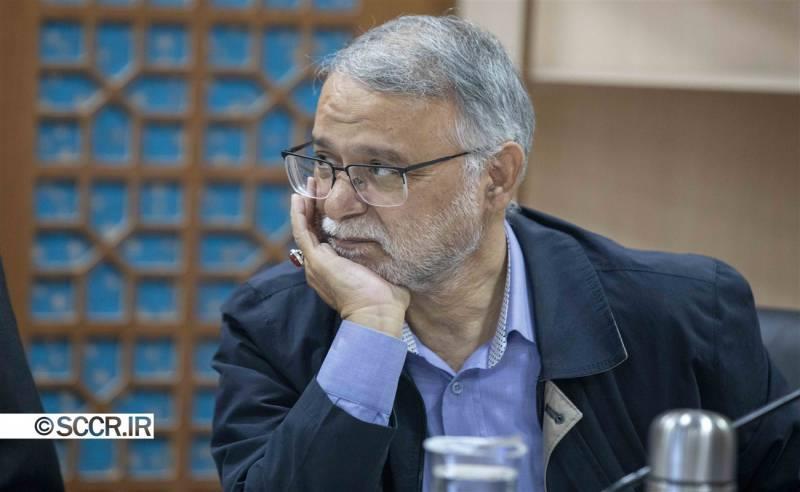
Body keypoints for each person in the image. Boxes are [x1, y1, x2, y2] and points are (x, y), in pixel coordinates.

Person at [211, 15, 800, 491]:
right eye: (324, 162)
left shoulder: (686, 320)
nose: (336, 203)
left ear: (495, 177)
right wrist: (368, 329)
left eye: (383, 170)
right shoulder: (272, 328)